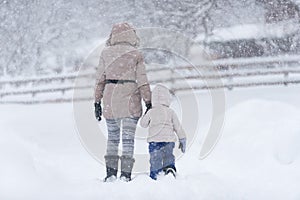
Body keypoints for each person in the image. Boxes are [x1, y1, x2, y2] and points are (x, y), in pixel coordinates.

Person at [94, 22, 152, 182]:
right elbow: (142, 80)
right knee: (128, 139)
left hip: (110, 100)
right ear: (132, 35)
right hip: (130, 100)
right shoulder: (136, 54)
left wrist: (97, 101)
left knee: (112, 138)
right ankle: (126, 174)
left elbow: (100, 79)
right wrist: (148, 101)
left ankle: (111, 173)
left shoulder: (106, 53)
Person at [140, 84, 187, 180]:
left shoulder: (151, 112)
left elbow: (143, 124)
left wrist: (147, 111)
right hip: (168, 140)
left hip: (154, 141)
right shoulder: (170, 112)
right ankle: (169, 169)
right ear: (167, 98)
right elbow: (178, 127)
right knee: (168, 156)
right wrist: (182, 138)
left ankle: (155, 174)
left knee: (155, 158)